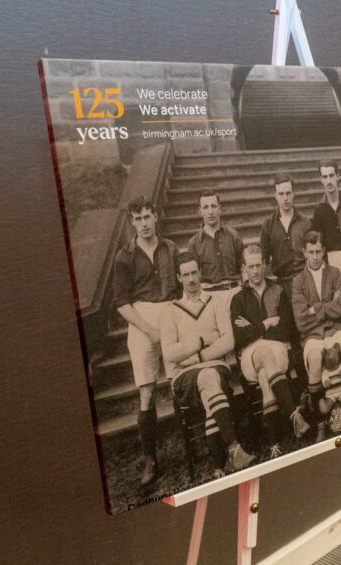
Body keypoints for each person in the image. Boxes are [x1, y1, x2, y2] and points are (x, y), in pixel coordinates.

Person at [160, 252, 256, 478]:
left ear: (201, 273)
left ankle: (221, 464)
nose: (191, 279)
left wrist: (194, 356)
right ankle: (232, 450)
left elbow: (228, 341)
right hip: (184, 378)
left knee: (209, 379)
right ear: (178, 277)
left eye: (194, 273)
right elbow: (169, 353)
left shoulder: (217, 303)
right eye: (186, 275)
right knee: (209, 383)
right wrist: (201, 341)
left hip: (214, 368)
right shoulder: (170, 311)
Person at [111, 196, 180, 486]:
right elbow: (121, 302)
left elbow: (179, 286)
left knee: (181, 381)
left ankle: (193, 440)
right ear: (132, 221)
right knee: (147, 392)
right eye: (137, 219)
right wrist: (149, 330)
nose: (143, 224)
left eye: (147, 217)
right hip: (140, 320)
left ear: (156, 217)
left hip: (170, 311)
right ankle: (150, 458)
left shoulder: (172, 248)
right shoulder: (124, 257)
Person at [230, 245, 310, 458]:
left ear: (265, 265)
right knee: (263, 356)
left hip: (278, 350)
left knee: (266, 373)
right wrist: (266, 324)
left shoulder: (278, 290)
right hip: (249, 356)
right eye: (251, 266)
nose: (255, 271)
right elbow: (240, 338)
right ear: (244, 268)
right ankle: (294, 414)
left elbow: (287, 328)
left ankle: (274, 443)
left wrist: (253, 328)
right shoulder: (238, 300)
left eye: (258, 265)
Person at [292, 231, 341, 440]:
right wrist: (328, 307)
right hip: (312, 333)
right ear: (304, 252)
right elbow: (301, 320)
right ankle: (321, 422)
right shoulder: (298, 282)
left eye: (318, 251)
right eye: (311, 252)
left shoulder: (335, 273)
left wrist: (316, 309)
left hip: (335, 328)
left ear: (324, 251)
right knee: (314, 358)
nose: (315, 257)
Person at [187, 189, 244, 309]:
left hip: (234, 292)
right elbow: (192, 276)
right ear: (200, 211)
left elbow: (243, 267)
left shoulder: (234, 236)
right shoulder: (194, 243)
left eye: (214, 206)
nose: (210, 211)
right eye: (206, 207)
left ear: (220, 208)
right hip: (209, 295)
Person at [259, 173, 310, 292]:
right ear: (275, 196)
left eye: (288, 193)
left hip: (304, 281)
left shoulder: (305, 222)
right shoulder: (268, 225)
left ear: (294, 194)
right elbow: (264, 259)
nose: (285, 198)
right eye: (281, 194)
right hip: (280, 284)